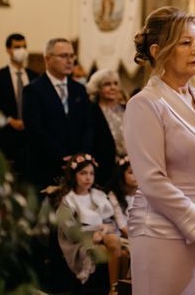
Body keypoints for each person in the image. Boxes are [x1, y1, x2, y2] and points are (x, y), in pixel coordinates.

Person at [124, 7, 195, 295]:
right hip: (165, 233)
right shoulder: (145, 104)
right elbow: (152, 181)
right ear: (158, 50)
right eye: (185, 43)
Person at [23, 38, 93, 189]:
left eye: (72, 56)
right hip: (46, 167)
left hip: (78, 168)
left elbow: (87, 125)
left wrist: (81, 156)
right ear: (47, 58)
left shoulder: (79, 89)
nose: (69, 61)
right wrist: (64, 158)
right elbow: (36, 131)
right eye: (63, 56)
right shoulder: (33, 90)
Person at [56, 153, 124, 292]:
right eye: (83, 173)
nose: (88, 178)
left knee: (115, 241)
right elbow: (70, 232)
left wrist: (102, 231)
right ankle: (113, 288)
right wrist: (93, 233)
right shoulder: (68, 200)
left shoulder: (98, 195)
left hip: (99, 236)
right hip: (79, 242)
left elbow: (110, 222)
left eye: (91, 173)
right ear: (74, 175)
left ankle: (115, 289)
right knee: (107, 251)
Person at [0, 33, 38, 173]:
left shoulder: (35, 77)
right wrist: (9, 120)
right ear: (8, 50)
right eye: (17, 47)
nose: (22, 50)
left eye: (24, 46)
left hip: (30, 139)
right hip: (5, 137)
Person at [86, 69, 126, 186]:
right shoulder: (91, 112)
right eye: (107, 84)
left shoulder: (127, 109)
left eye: (115, 83)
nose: (113, 87)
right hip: (102, 169)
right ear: (97, 88)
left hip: (127, 170)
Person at [106, 155, 137, 239]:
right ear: (122, 175)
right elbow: (122, 226)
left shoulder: (144, 192)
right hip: (126, 236)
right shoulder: (114, 195)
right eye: (131, 172)